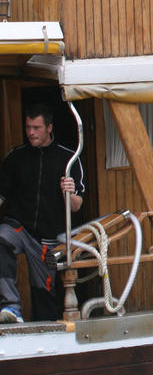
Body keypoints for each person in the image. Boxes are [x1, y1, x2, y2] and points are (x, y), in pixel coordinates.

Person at [0, 105, 85, 323]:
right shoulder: (16, 157)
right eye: (28, 127)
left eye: (36, 128)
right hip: (18, 226)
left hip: (48, 237)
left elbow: (76, 205)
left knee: (44, 293)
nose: (31, 133)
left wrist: (68, 192)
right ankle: (11, 307)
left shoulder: (68, 159)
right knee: (1, 239)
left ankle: (46, 331)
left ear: (49, 128)